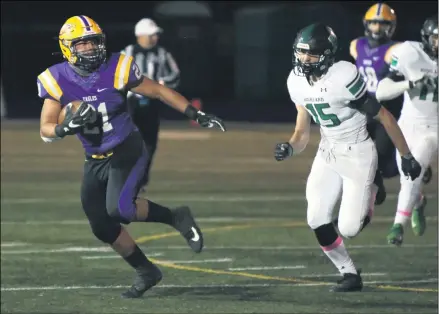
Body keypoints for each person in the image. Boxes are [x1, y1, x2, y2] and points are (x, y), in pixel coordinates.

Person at [38, 15, 226, 299]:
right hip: (95, 158)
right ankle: (146, 271)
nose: (89, 49)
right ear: (68, 48)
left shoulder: (117, 66)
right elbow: (46, 129)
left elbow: (160, 91)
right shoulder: (56, 78)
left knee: (120, 209)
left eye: (93, 42)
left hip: (127, 147)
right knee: (101, 226)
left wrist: (195, 113)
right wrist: (65, 127)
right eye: (82, 44)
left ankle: (175, 216)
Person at [274, 23, 421, 292]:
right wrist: (290, 147)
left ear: (328, 55)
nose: (304, 60)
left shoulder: (343, 76)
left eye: (312, 55)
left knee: (350, 228)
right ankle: (350, 274)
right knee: (316, 218)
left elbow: (384, 116)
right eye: (301, 53)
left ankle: (374, 184)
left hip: (357, 153)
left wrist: (407, 155)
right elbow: (302, 131)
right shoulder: (295, 81)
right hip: (328, 151)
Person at [350, 3, 432, 203]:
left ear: (392, 27)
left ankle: (417, 166)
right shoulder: (356, 45)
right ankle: (369, 196)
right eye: (374, 23)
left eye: (382, 24)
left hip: (385, 111)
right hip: (361, 110)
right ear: (366, 24)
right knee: (358, 158)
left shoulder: (396, 49)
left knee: (384, 165)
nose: (377, 28)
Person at [376, 15, 438, 246]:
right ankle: (418, 200)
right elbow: (382, 91)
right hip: (409, 124)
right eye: (437, 38)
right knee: (409, 176)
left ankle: (397, 226)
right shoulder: (411, 53)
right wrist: (410, 84)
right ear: (426, 38)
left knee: (416, 166)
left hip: (435, 127)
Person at [121, 18, 181, 190]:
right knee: (129, 141)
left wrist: (161, 84)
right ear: (140, 36)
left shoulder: (162, 53)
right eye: (152, 35)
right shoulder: (128, 52)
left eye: (156, 35)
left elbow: (175, 74)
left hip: (152, 104)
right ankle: (126, 178)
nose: (155, 38)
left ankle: (141, 180)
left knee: (149, 143)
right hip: (132, 103)